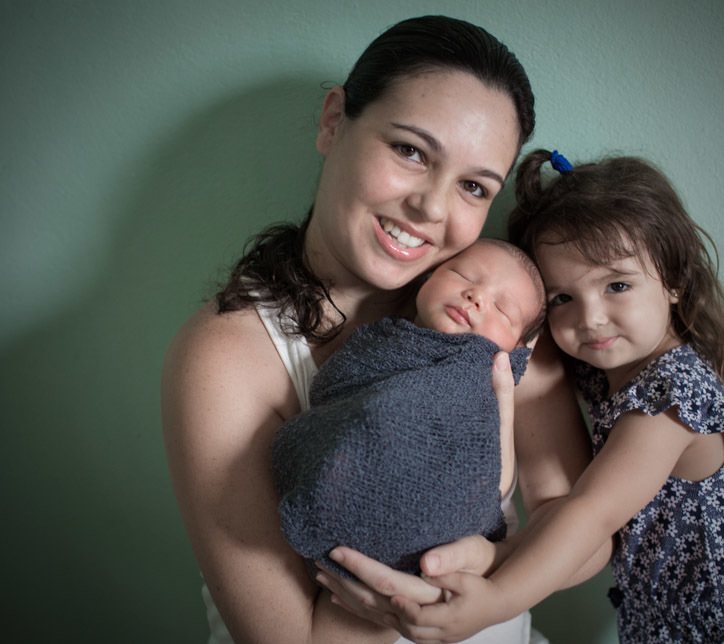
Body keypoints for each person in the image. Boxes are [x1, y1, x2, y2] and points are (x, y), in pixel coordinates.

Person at [162, 16, 602, 644]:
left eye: (474, 187)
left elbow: (580, 538)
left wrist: (490, 573)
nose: (432, 207)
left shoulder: (496, 313)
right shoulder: (228, 357)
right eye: (410, 151)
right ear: (333, 120)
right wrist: (406, 604)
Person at [390, 150, 724, 643]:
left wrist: (499, 600)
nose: (590, 318)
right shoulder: (607, 365)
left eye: (616, 284)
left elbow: (590, 512)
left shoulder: (674, 398)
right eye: (562, 298)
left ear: (675, 279)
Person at [272, 239, 546, 578]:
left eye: (503, 310)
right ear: (427, 276)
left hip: (444, 540)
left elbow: (489, 479)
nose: (477, 296)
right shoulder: (380, 340)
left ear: (516, 349)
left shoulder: (489, 379)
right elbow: (332, 391)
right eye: (463, 275)